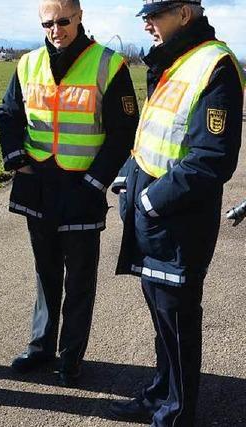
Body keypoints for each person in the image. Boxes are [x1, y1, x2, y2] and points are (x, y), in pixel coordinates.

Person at [109, 1, 245, 425]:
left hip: (178, 220)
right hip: (153, 215)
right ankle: (160, 394)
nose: (147, 22)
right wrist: (128, 178)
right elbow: (156, 132)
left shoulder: (214, 65)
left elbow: (212, 158)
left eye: (157, 14)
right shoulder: (175, 60)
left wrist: (150, 201)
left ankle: (177, 412)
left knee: (178, 320)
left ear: (185, 14)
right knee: (160, 317)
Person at [0, 0, 139, 386]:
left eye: (63, 21)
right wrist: (16, 159)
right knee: (45, 272)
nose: (55, 30)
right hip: (38, 185)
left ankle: (70, 357)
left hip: (82, 187)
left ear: (79, 18)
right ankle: (41, 347)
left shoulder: (109, 64)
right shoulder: (27, 64)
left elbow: (124, 131)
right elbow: (8, 114)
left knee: (79, 279)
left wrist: (96, 182)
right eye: (48, 23)